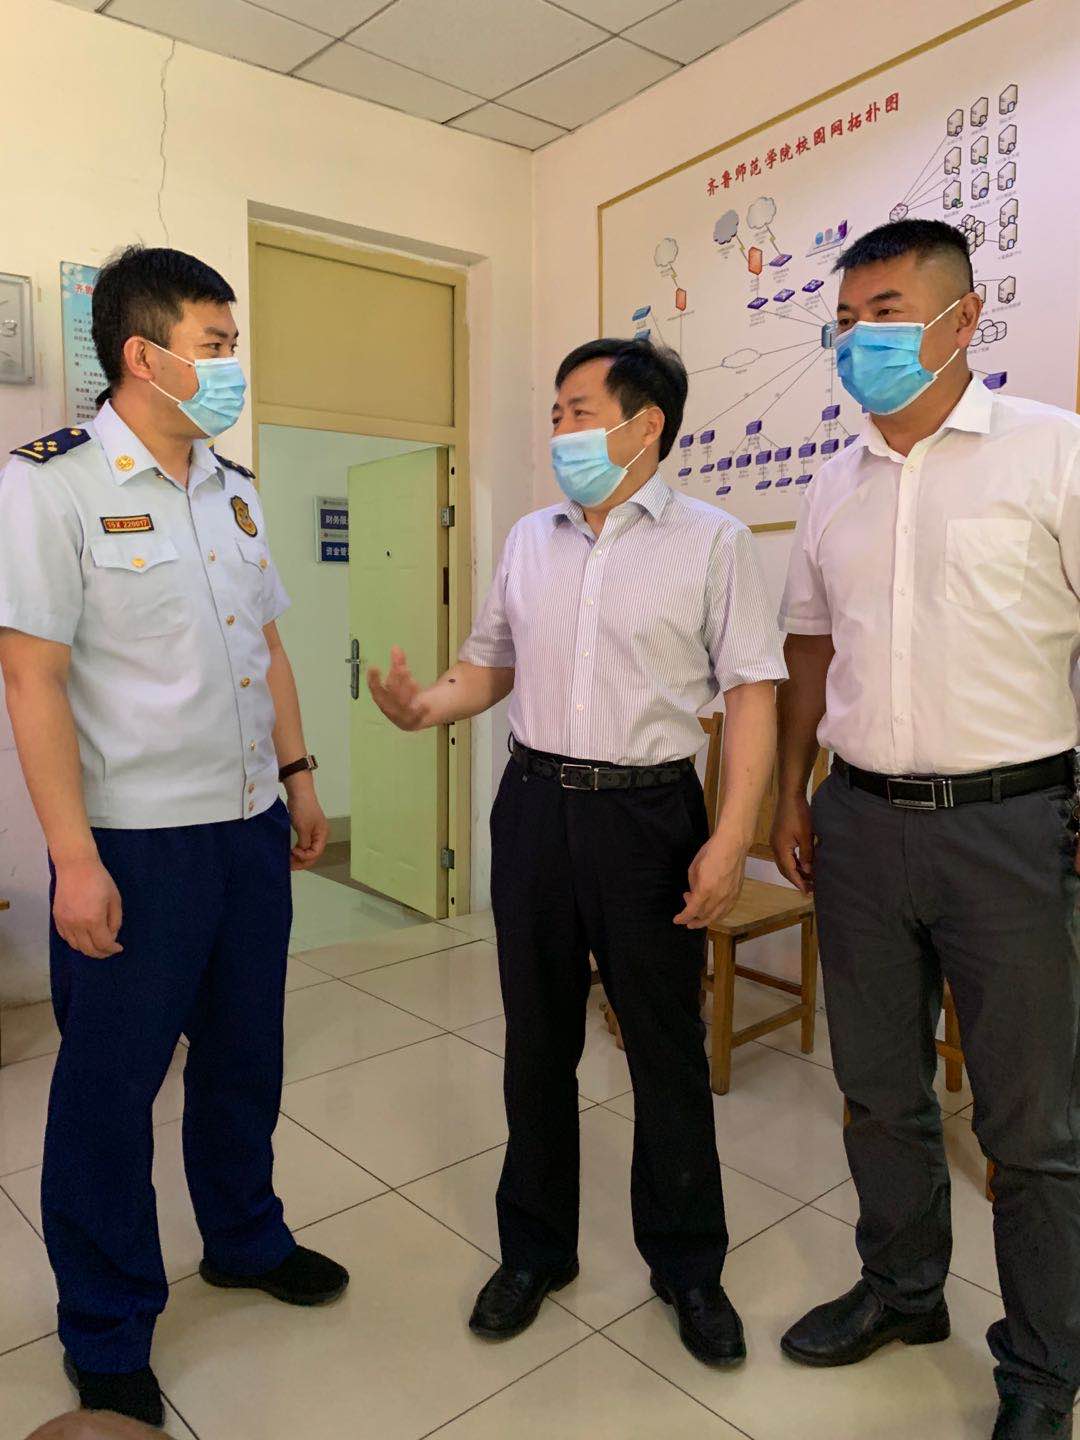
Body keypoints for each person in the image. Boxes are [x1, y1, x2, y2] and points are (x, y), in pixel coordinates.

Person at [368, 337, 787, 1365]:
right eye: (555, 412)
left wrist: (732, 838)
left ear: (645, 427)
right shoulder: (530, 539)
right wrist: (425, 707)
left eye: (579, 411)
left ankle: (688, 1268)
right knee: (537, 1039)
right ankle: (535, 1250)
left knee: (665, 1047)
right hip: (536, 807)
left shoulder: (715, 542)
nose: (560, 430)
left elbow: (752, 695)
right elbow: (489, 665)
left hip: (649, 818)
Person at [0, 246, 348, 1428]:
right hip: (137, 846)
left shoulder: (233, 489)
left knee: (246, 1059)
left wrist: (299, 776)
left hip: (249, 830)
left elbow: (270, 648)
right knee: (110, 1094)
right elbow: (32, 679)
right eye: (216, 343)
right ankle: (105, 1325)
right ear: (144, 355)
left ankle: (245, 1237)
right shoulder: (52, 486)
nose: (233, 364)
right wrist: (73, 859)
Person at [772, 219, 1080, 1440]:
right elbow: (808, 651)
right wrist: (792, 788)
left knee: (1033, 1124)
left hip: (1016, 828)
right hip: (859, 823)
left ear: (963, 319)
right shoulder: (832, 485)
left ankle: (1043, 1371)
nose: (861, 340)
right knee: (877, 1090)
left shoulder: (1051, 452)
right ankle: (903, 1292)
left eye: (887, 314)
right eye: (847, 321)